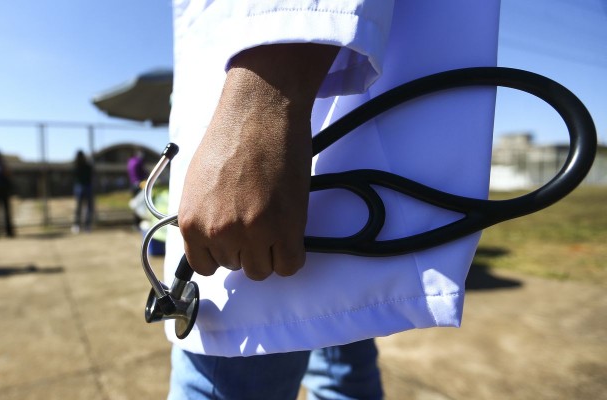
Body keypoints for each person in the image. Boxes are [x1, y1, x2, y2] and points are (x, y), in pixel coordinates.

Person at [164, 1, 501, 399]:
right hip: (308, 135)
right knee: (337, 335)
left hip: (270, 116)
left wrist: (262, 100)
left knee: (234, 360)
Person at [71, 150, 94, 234]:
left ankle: (85, 225)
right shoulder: (77, 166)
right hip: (81, 186)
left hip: (85, 186)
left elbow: (91, 174)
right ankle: (79, 225)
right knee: (80, 207)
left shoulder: (85, 165)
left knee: (85, 207)